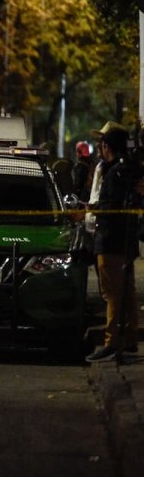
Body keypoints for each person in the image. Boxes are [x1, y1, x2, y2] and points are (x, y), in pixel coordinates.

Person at [86, 124, 140, 362]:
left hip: (110, 240)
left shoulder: (113, 173)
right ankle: (129, 340)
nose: (99, 147)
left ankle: (111, 343)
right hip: (127, 240)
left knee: (112, 294)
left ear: (107, 146)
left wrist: (92, 210)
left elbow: (111, 206)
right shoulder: (129, 170)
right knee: (126, 291)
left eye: (102, 144)